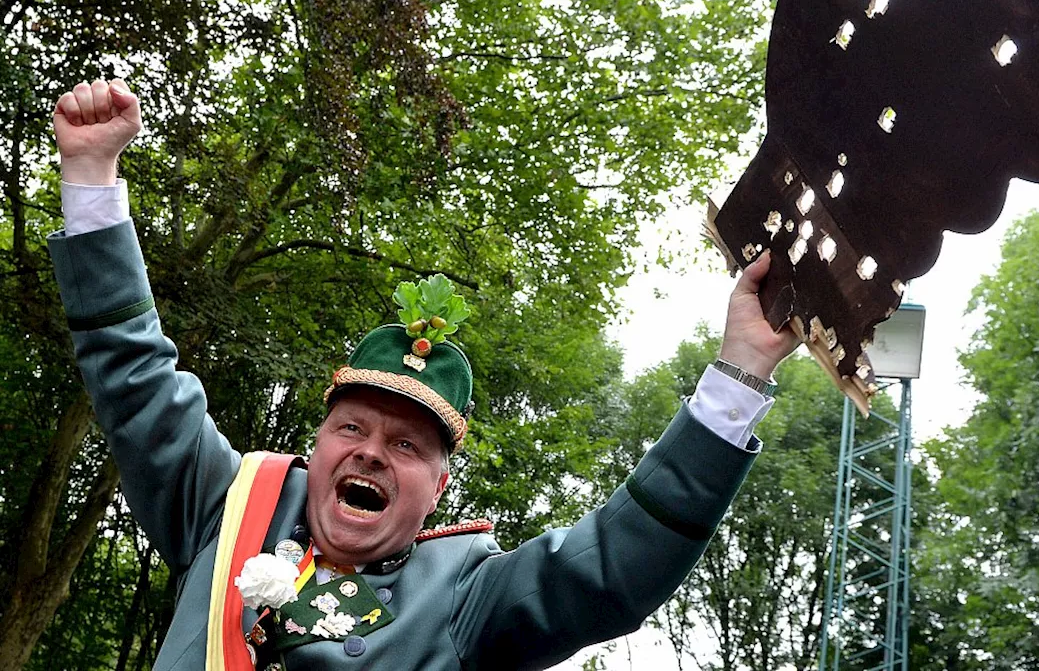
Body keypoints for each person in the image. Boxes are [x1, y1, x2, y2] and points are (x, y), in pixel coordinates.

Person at [49, 78, 799, 670]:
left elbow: (611, 567)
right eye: (352, 426)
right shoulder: (227, 503)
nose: (372, 450)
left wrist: (742, 369)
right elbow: (132, 372)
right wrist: (89, 173)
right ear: (317, 445)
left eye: (408, 446)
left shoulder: (464, 598)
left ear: (439, 489)